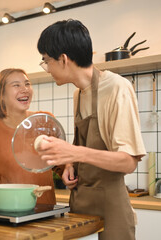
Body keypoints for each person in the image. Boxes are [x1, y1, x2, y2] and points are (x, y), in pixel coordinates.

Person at [35, 19, 146, 240]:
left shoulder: (117, 87)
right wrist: (70, 164)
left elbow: (128, 161)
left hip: (111, 207)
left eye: (46, 61)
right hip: (80, 202)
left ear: (64, 59)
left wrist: (74, 153)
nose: (46, 68)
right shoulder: (78, 93)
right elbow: (83, 147)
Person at [0, 68, 59, 205]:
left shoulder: (45, 121)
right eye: (16, 85)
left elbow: (59, 161)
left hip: (46, 211)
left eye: (27, 84)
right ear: (2, 94)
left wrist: (68, 171)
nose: (25, 89)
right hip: (9, 207)